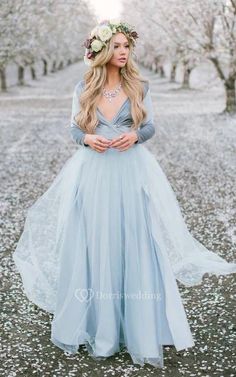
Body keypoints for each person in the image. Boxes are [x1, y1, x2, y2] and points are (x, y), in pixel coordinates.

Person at [12, 19, 236, 368]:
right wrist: (87, 138)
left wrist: (136, 136)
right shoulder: (83, 86)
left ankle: (138, 325)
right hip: (93, 174)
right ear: (100, 50)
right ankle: (95, 324)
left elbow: (150, 126)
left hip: (131, 173)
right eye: (115, 46)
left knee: (135, 238)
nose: (122, 52)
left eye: (126, 46)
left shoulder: (140, 87)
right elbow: (73, 128)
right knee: (94, 241)